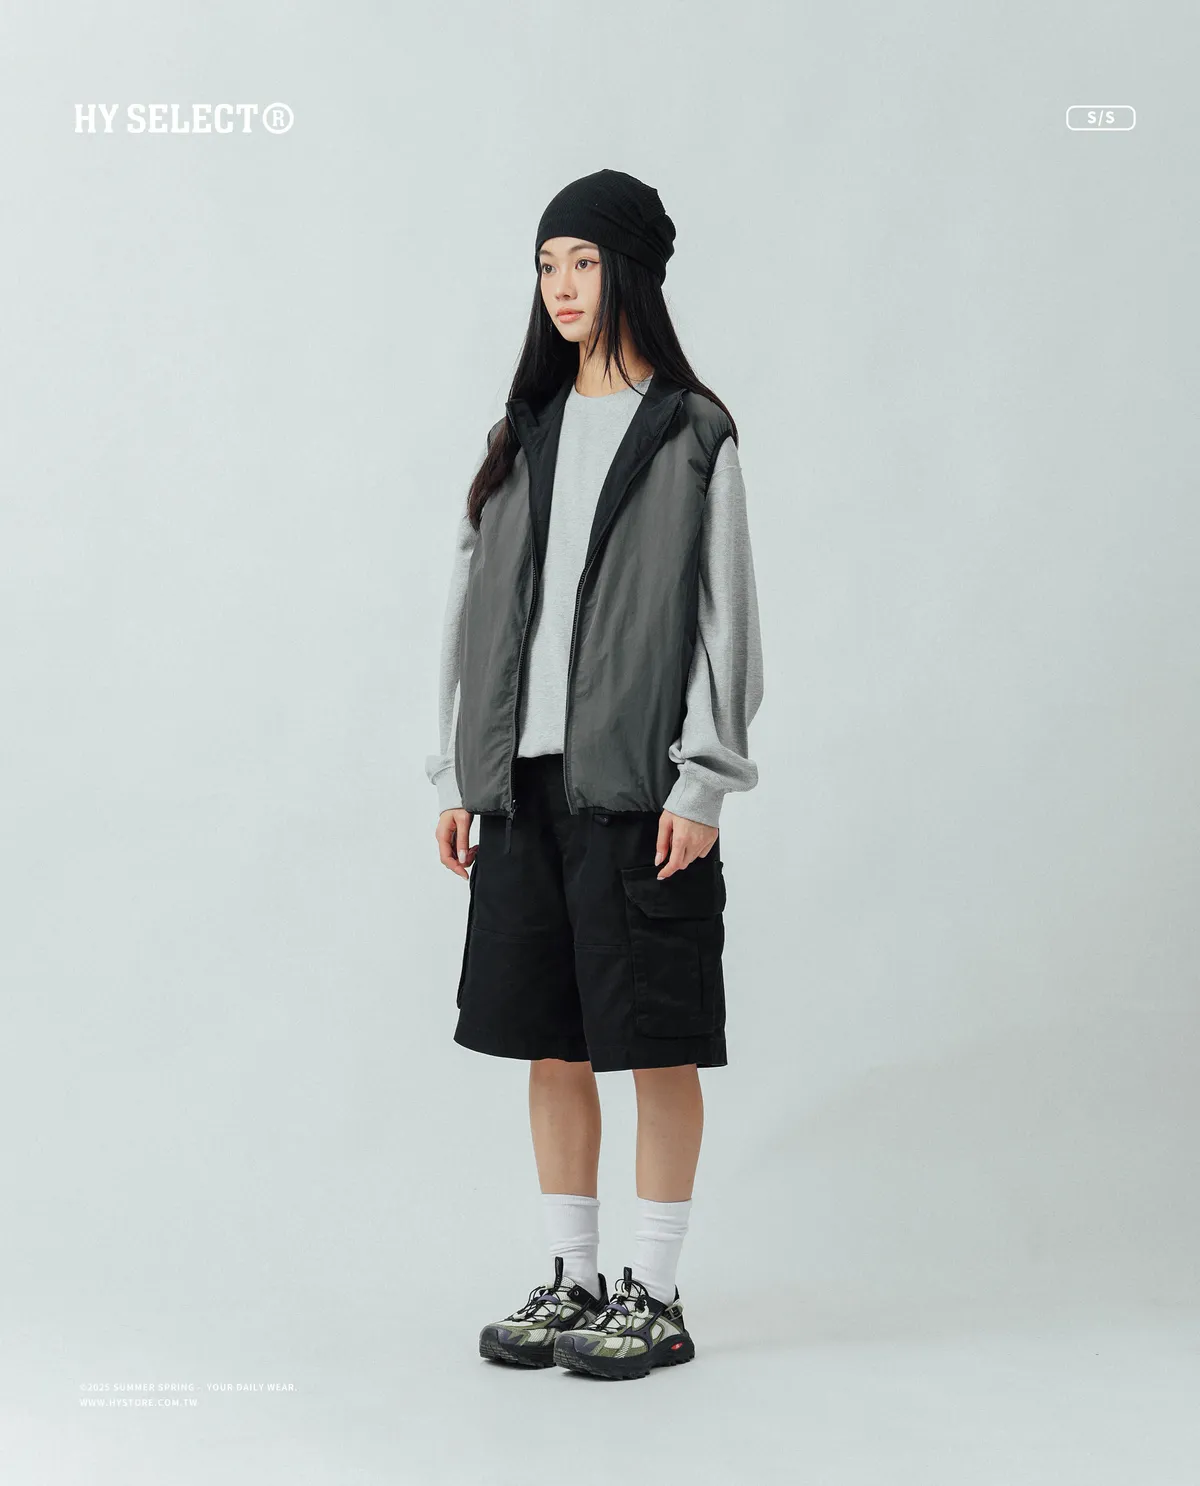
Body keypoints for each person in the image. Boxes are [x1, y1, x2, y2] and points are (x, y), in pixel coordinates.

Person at [425, 168, 764, 1381]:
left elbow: (728, 620)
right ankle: (573, 1277)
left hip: (638, 793)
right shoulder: (519, 437)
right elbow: (465, 615)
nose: (562, 287)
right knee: (551, 1044)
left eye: (582, 261)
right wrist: (456, 773)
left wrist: (703, 781)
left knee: (655, 1043)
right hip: (522, 791)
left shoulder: (691, 432)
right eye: (546, 264)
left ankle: (654, 1295)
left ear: (631, 271)